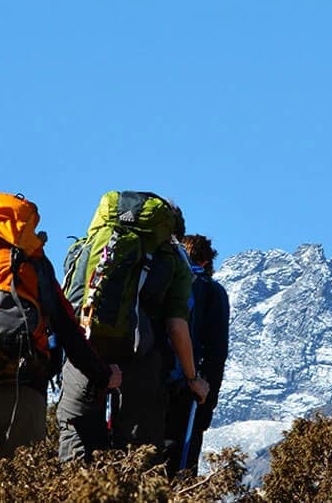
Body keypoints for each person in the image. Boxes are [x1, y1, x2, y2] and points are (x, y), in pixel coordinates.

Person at [0, 225, 123, 503]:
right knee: (25, 489)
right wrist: (103, 375)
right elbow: (69, 331)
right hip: (24, 393)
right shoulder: (34, 266)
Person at [57, 194, 209, 464]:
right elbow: (177, 326)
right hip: (140, 362)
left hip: (84, 353)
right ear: (171, 231)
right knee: (138, 457)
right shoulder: (171, 259)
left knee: (77, 448)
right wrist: (193, 377)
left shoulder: (88, 247)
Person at [164, 233, 230, 475]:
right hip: (189, 390)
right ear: (205, 261)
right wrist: (207, 404)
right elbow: (216, 353)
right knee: (180, 467)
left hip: (151, 383)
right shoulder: (210, 291)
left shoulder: (163, 279)